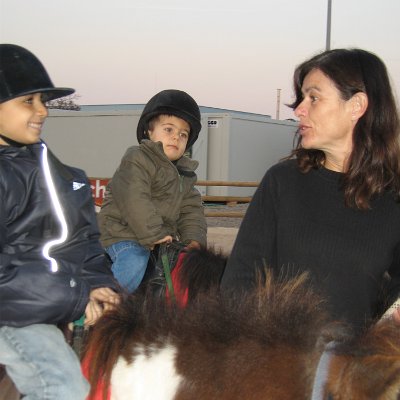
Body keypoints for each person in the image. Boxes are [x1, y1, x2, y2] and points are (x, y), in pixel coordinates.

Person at [221, 48, 400, 332]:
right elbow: (239, 283)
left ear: (356, 106)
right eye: (302, 98)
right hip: (278, 355)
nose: (299, 110)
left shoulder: (394, 198)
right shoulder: (282, 182)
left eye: (313, 98)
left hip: (354, 359)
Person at [0, 44, 120, 399]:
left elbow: (83, 242)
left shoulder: (63, 176)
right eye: (28, 101)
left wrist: (99, 284)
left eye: (43, 101)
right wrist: (74, 294)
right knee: (63, 387)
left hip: (48, 303)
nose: (43, 111)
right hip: (12, 315)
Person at [97, 89, 207, 293]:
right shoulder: (137, 159)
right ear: (149, 131)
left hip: (159, 239)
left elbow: (191, 210)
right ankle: (107, 301)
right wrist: (155, 233)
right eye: (169, 129)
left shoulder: (185, 176)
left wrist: (194, 241)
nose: (176, 137)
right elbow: (135, 198)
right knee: (134, 261)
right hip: (122, 233)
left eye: (183, 134)